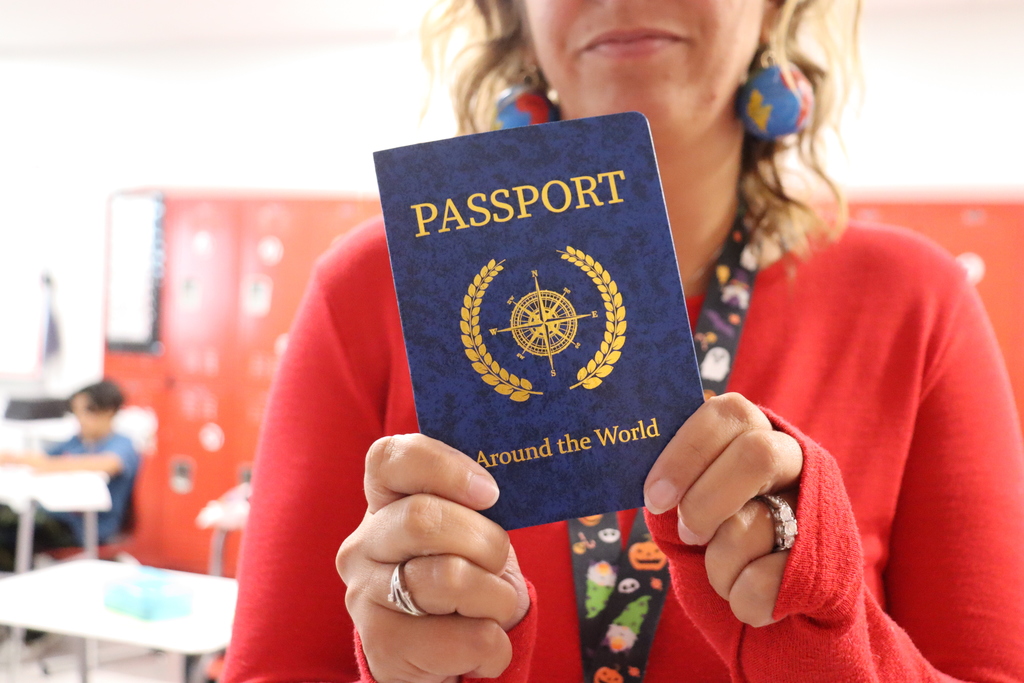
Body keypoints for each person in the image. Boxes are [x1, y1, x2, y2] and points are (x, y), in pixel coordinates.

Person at [223, 1, 1024, 681]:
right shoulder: (370, 289)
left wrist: (823, 624)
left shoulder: (917, 303)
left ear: (776, 9)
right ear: (514, 14)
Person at [0, 380, 140, 572]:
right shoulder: (76, 441)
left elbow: (109, 463)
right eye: (76, 413)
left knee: (12, 530)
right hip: (53, 515)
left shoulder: (121, 444)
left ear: (108, 411)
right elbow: (42, 459)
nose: (80, 419)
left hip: (84, 527)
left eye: (87, 412)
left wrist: (49, 465)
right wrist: (14, 458)